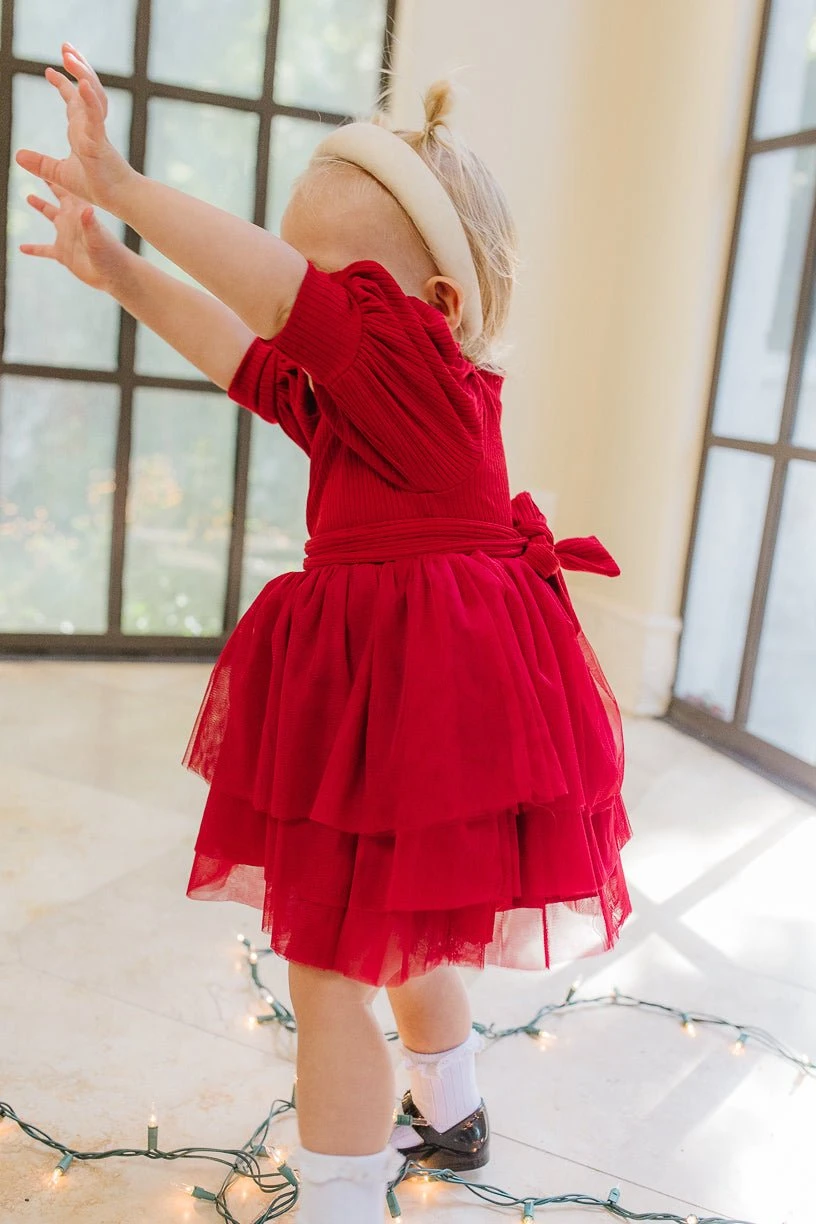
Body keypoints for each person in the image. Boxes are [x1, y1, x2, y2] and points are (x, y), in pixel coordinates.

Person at [17, 41, 634, 1224]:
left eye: (332, 286)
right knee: (406, 932)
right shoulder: (374, 395)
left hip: (418, 689)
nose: (303, 304)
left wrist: (128, 187)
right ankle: (452, 1111)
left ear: (435, 306)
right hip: (417, 696)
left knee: (331, 972)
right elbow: (241, 350)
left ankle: (344, 1197)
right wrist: (119, 268)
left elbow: (269, 301)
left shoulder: (414, 372)